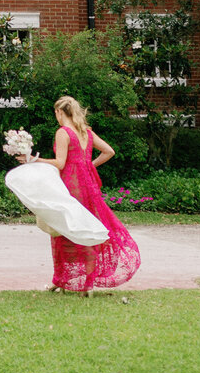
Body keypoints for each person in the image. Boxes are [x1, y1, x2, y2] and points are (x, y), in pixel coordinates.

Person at [25, 94, 140, 292]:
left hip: (69, 186)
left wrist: (34, 160)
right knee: (86, 229)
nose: (56, 116)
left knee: (62, 230)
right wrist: (88, 165)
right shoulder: (86, 132)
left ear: (60, 112)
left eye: (56, 113)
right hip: (88, 188)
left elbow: (60, 163)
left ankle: (60, 280)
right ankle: (87, 284)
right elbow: (109, 151)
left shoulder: (63, 132)